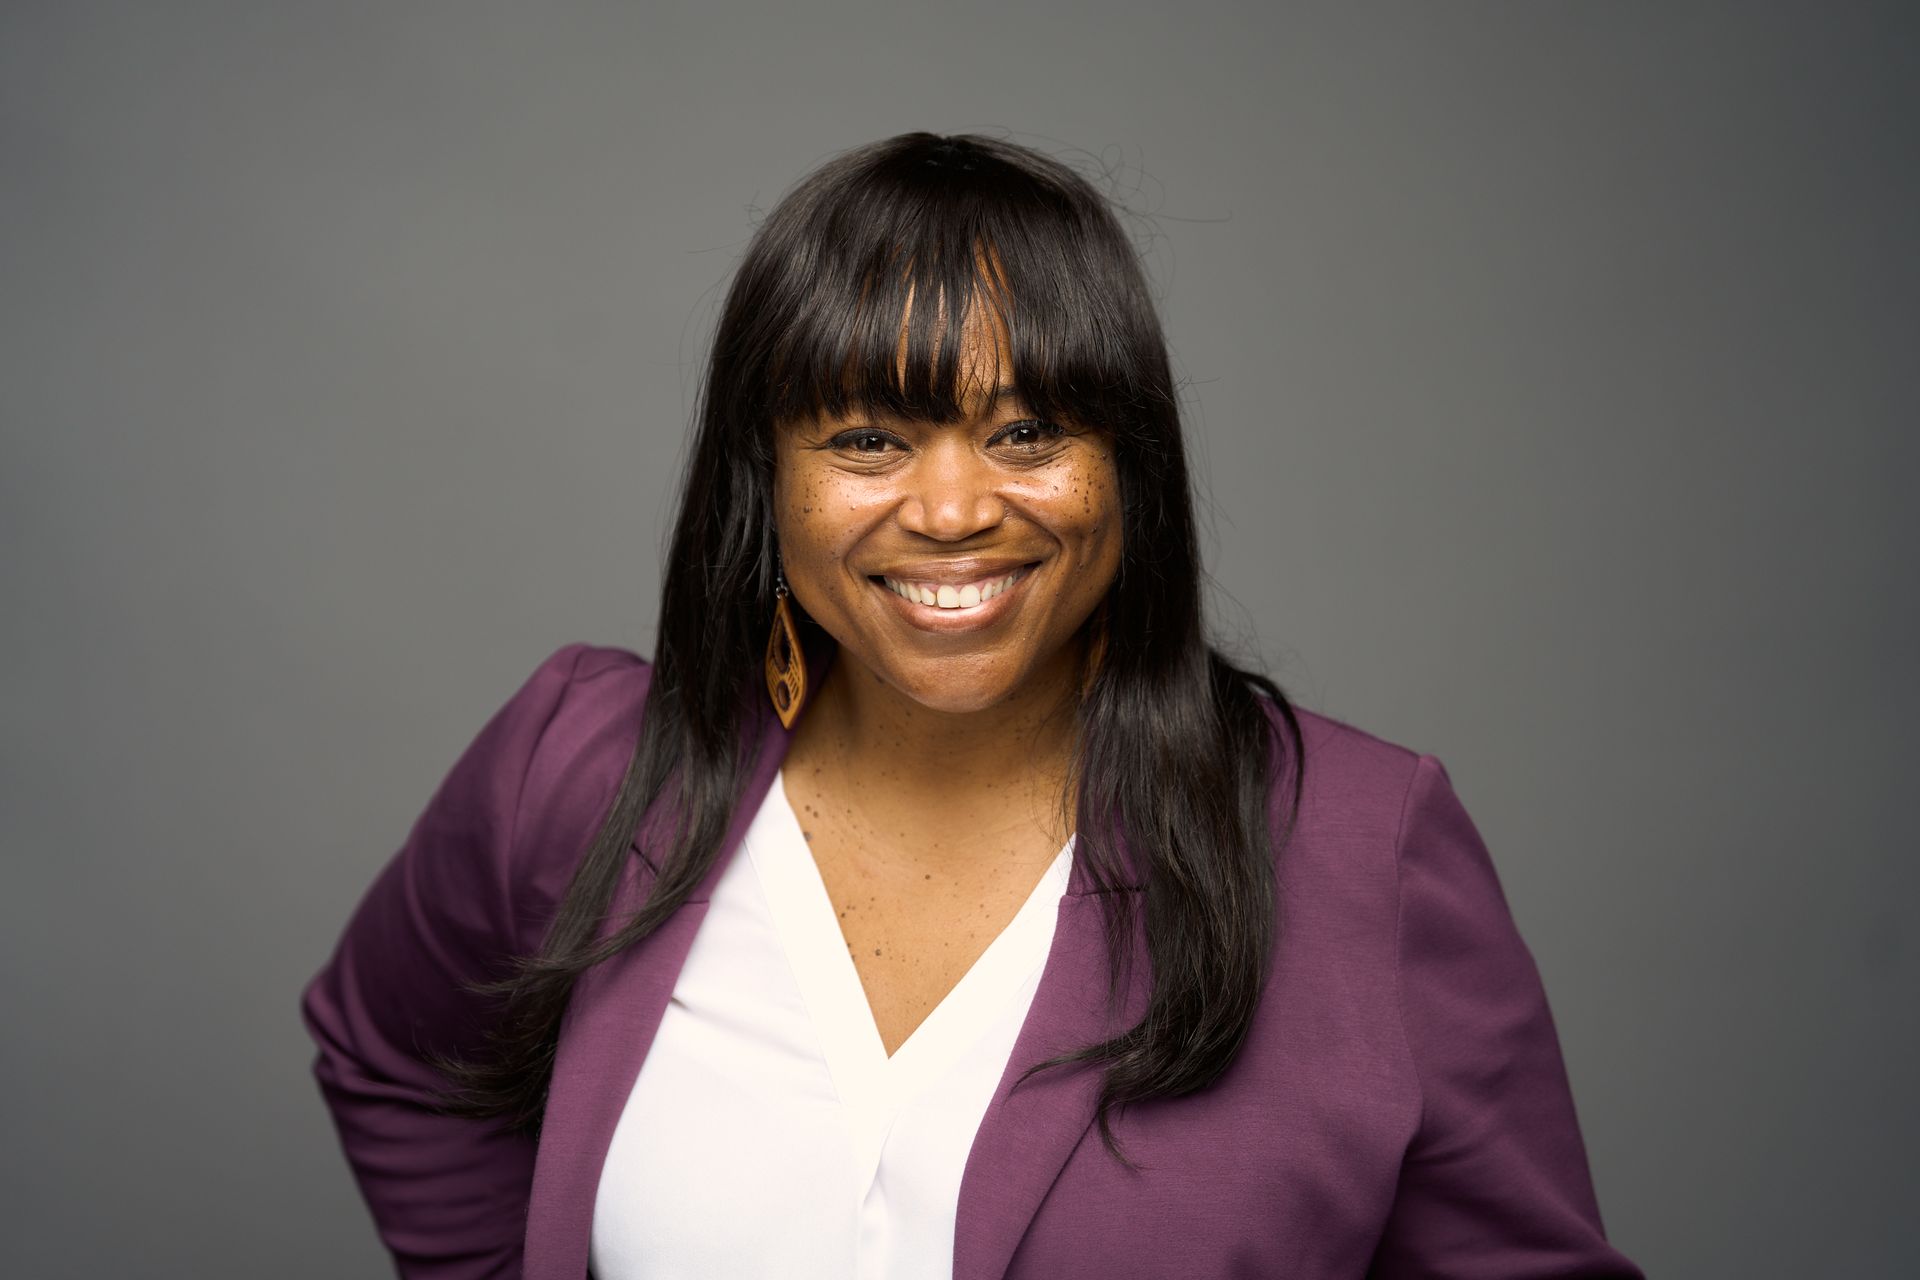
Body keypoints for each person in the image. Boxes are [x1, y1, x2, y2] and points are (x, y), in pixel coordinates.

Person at [301, 132, 1645, 1280]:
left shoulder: (1359, 845)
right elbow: (389, 1050)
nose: (951, 512)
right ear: (763, 479)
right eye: (868, 440)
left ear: (1132, 468)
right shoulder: (583, 768)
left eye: (1027, 434)